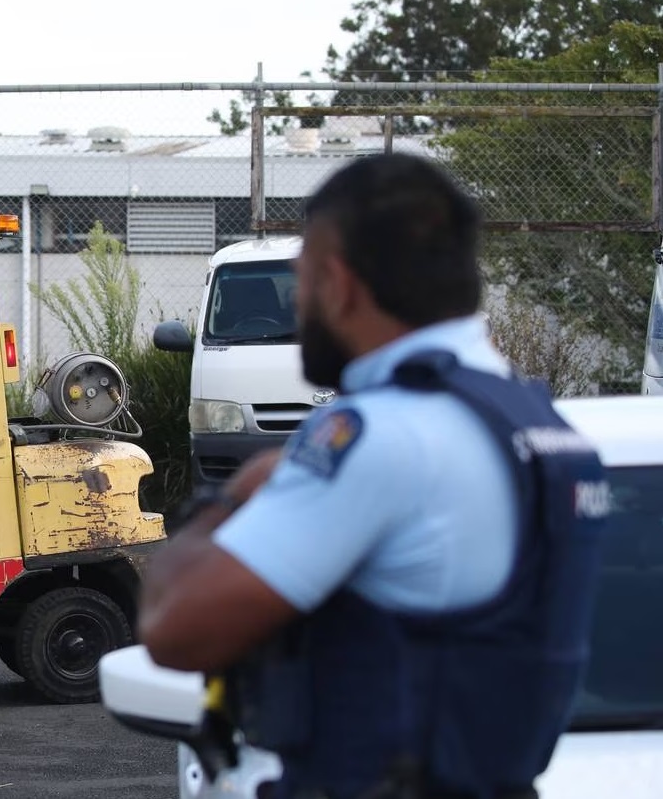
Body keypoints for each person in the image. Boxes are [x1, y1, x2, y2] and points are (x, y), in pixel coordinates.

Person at [139, 154, 610, 799]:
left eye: (300, 284)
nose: (300, 306)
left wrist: (229, 500)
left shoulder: (384, 437)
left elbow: (174, 628)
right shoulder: (540, 427)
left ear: (337, 284)